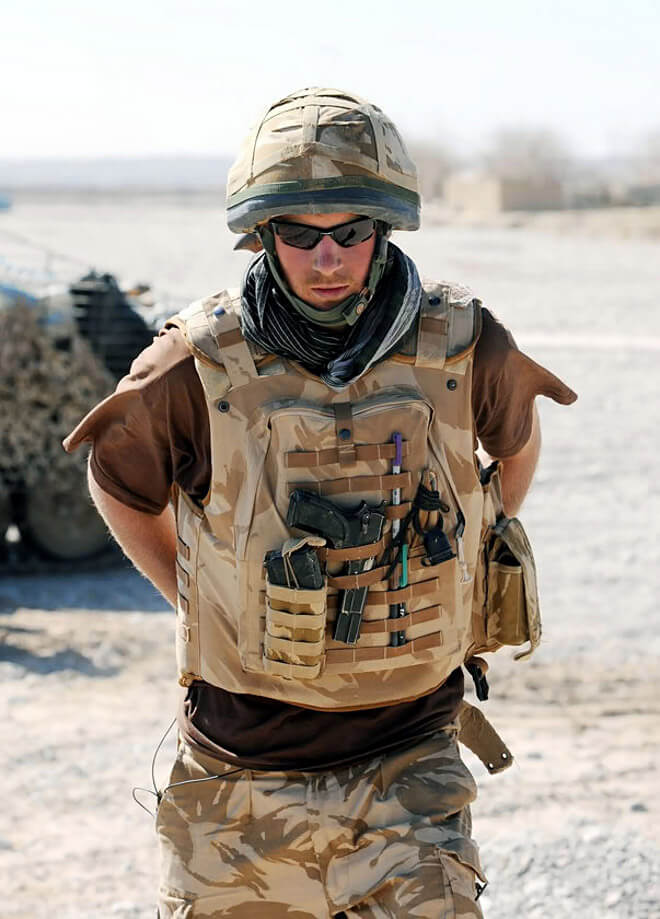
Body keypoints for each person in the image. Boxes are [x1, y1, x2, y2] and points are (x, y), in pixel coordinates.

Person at [64, 88, 576, 918]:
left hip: (410, 769)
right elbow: (117, 484)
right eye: (300, 235)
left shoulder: (463, 343)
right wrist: (196, 596)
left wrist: (479, 538)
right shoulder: (193, 367)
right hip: (239, 787)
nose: (327, 257)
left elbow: (515, 445)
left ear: (386, 228)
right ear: (263, 234)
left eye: (351, 232)